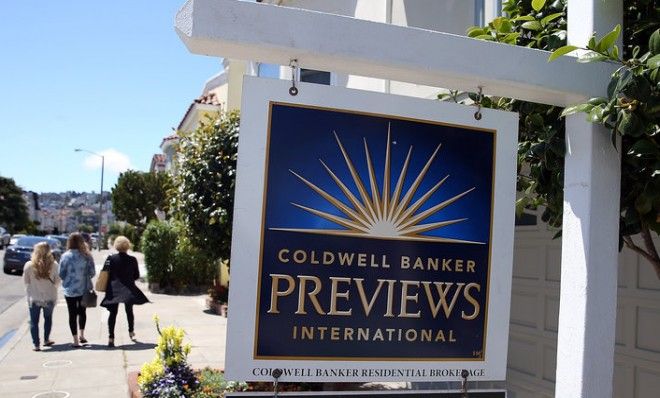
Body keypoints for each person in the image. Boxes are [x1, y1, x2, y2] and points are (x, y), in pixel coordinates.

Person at [100, 236, 148, 347]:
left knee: (113, 313)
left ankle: (111, 338)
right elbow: (136, 275)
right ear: (127, 246)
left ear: (116, 246)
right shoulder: (132, 259)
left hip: (114, 288)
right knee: (129, 311)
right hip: (128, 288)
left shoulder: (110, 259)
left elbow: (105, 273)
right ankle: (131, 332)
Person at [59, 232, 95, 347]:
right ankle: (82, 334)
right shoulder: (86, 255)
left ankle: (75, 340)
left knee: (72, 314)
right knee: (82, 312)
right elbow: (92, 272)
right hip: (83, 288)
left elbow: (61, 273)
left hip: (69, 289)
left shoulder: (65, 256)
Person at [23, 242, 60, 351]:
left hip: (34, 297)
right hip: (49, 296)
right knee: (48, 319)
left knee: (34, 321)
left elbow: (26, 282)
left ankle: (36, 344)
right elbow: (57, 282)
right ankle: (46, 339)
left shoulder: (29, 265)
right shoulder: (54, 265)